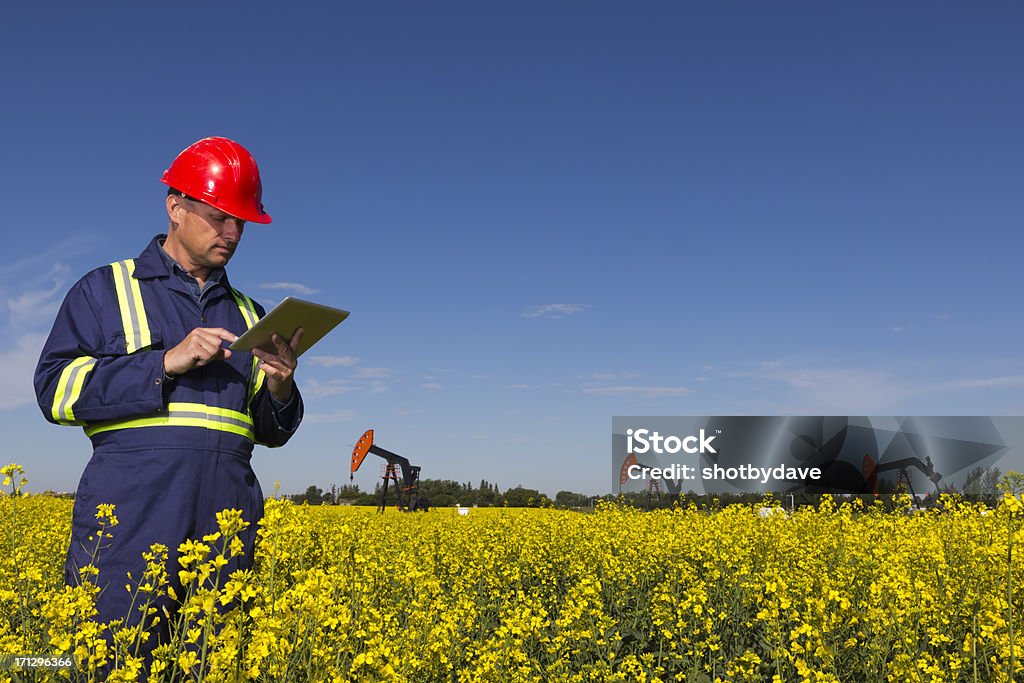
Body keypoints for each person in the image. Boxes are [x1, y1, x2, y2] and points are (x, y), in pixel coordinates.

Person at [33, 136, 303, 651]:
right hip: (130, 529)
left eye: (241, 222)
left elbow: (269, 431)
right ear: (175, 207)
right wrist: (164, 363)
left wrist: (281, 385)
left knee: (216, 662)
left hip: (227, 534)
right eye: (219, 216)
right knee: (110, 660)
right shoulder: (105, 289)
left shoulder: (251, 313)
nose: (232, 233)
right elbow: (55, 390)